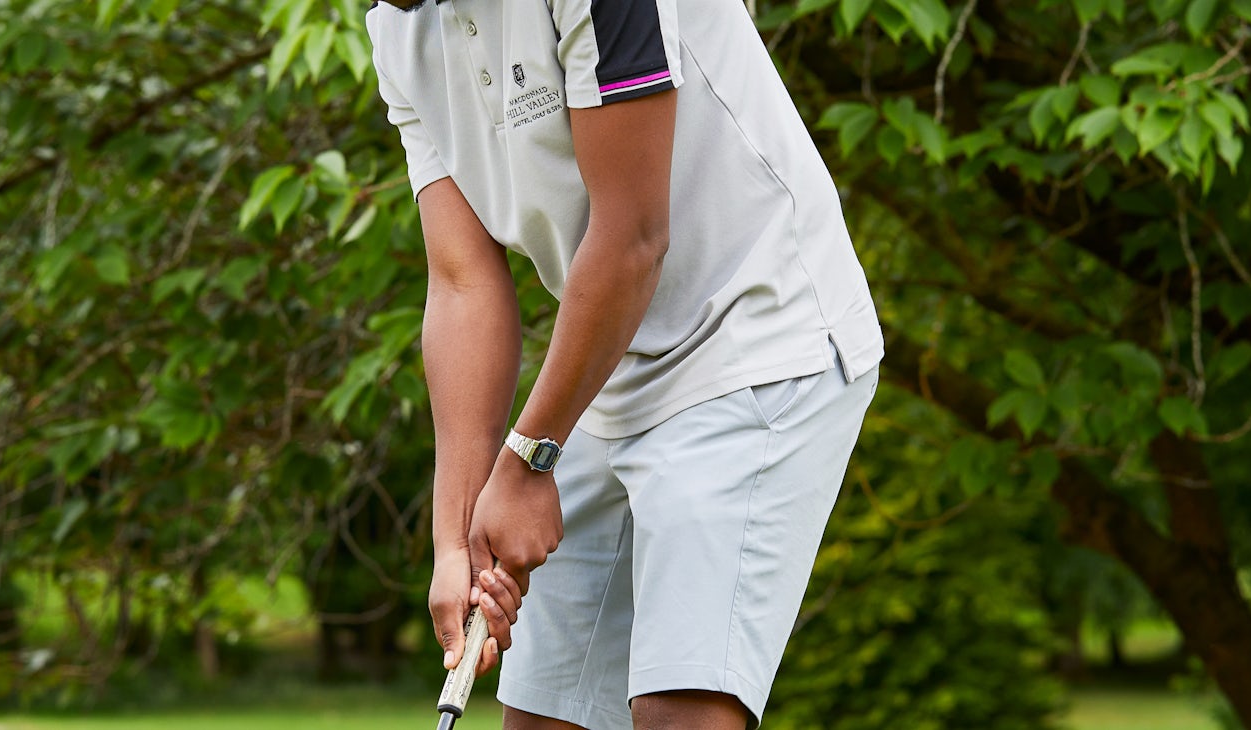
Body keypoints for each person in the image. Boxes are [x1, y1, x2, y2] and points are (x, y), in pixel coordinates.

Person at [365, 0, 882, 726]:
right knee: (545, 717)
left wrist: (529, 459)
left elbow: (634, 236)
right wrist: (455, 540)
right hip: (606, 371)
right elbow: (462, 283)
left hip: (755, 333)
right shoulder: (395, 25)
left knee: (677, 711)